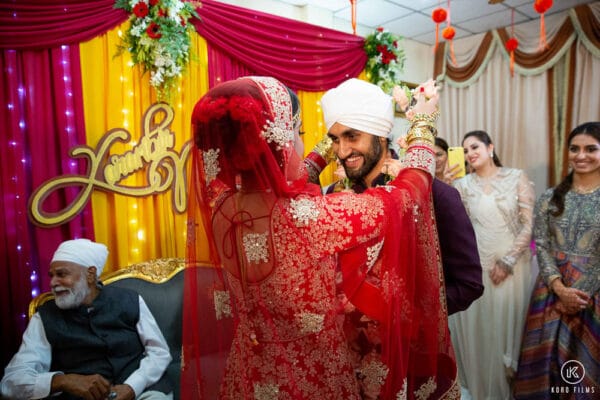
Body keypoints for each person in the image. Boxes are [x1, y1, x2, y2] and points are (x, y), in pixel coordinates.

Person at [181, 76, 458, 399]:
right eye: (298, 134)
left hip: (250, 374)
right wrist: (423, 124)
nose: (301, 144)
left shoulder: (220, 206)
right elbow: (405, 197)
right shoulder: (308, 217)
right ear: (280, 141)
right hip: (311, 379)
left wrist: (337, 135)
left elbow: (276, 178)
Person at [314, 78, 480, 398]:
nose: (341, 150)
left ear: (381, 134)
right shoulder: (335, 195)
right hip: (350, 366)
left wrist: (411, 317)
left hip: (412, 361)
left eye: (352, 136)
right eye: (334, 139)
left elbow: (470, 283)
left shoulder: (437, 196)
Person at [0, 239, 173, 400]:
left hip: (143, 392)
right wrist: (63, 381)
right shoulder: (44, 317)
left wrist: (132, 386)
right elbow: (12, 382)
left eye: (61, 274)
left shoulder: (129, 299)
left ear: (90, 274)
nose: (53, 282)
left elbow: (159, 353)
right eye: (51, 275)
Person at [514, 122, 600, 398]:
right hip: (551, 291)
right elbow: (541, 243)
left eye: (591, 149)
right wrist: (560, 289)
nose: (581, 155)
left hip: (593, 295)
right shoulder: (550, 197)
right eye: (574, 149)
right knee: (546, 366)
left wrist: (579, 294)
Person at [448, 130, 535, 400]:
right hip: (475, 270)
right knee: (480, 332)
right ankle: (479, 390)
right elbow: (456, 229)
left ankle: (507, 392)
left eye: (475, 147)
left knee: (506, 332)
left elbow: (529, 223)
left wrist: (508, 261)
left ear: (490, 147)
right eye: (465, 150)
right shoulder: (461, 185)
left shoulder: (516, 177)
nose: (470, 153)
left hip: (511, 270)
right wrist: (446, 187)